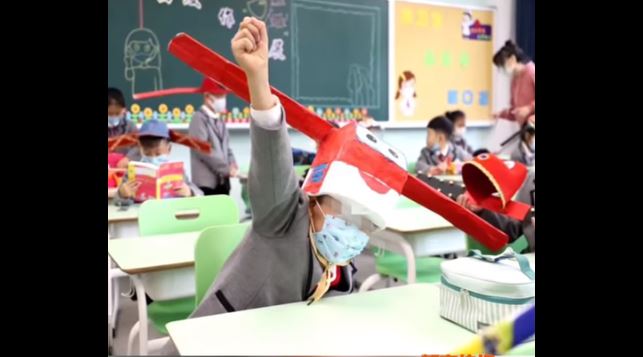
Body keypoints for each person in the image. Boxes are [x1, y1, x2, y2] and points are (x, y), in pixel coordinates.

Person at [161, 17, 394, 355]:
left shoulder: (342, 262)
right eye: (343, 216)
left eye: (363, 225)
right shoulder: (282, 215)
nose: (352, 232)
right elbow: (273, 159)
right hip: (221, 341)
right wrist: (258, 80)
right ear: (315, 199)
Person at [188, 78, 238, 196]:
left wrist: (233, 164)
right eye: (219, 96)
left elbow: (227, 148)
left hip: (223, 182)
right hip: (207, 184)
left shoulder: (219, 119)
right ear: (208, 97)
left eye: (224, 96)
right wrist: (225, 168)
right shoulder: (198, 119)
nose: (223, 100)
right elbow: (202, 149)